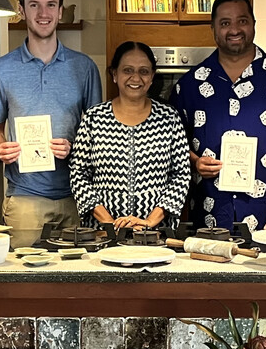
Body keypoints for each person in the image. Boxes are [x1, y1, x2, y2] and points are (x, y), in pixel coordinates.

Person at [169, 0, 266, 232]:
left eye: (242, 21)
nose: (234, 29)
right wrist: (195, 162)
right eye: (225, 23)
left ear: (254, 24)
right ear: (213, 29)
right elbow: (172, 146)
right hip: (209, 216)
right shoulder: (189, 85)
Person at [0, 0, 102, 247]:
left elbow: (100, 132)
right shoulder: (1, 70)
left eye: (51, 4)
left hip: (78, 195)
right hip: (25, 196)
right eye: (34, 4)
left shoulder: (84, 68)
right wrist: (1, 147)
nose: (43, 13)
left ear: (60, 11)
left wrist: (74, 146)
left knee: (78, 279)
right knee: (24, 281)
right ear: (21, 10)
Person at [69, 42, 190, 229]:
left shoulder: (169, 118)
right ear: (114, 74)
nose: (136, 78)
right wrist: (110, 223)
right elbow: (79, 174)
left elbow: (181, 175)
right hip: (103, 232)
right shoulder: (94, 118)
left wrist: (149, 221)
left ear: (151, 77)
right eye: (128, 70)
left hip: (156, 233)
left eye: (144, 71)